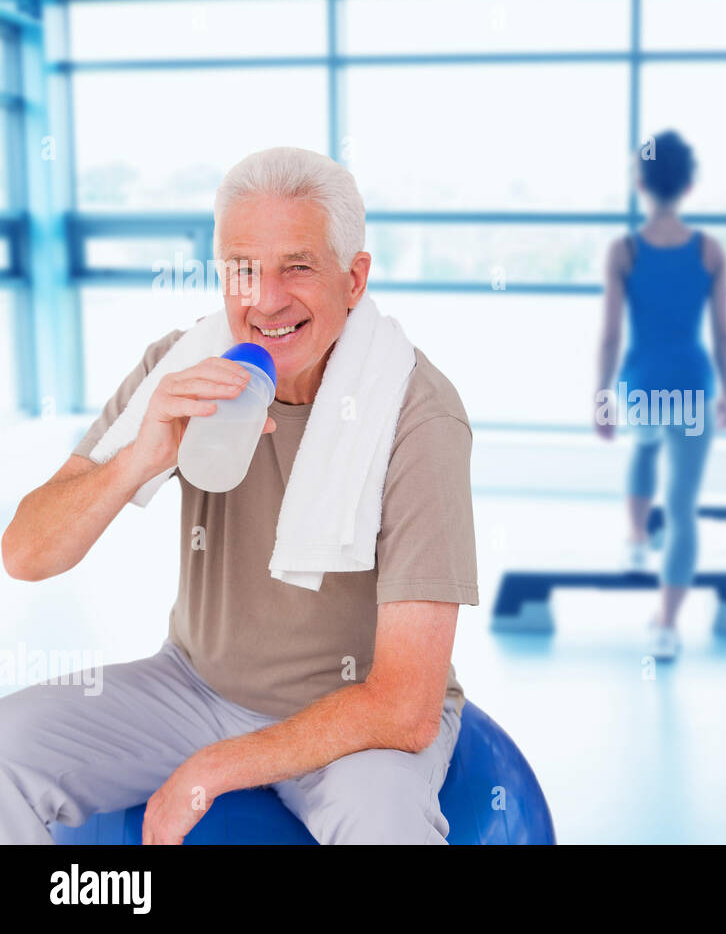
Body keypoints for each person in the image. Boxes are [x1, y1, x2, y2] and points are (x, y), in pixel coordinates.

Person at [0, 147, 478, 843]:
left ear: (355, 278)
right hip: (192, 688)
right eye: (242, 269)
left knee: (387, 823)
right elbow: (25, 554)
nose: (265, 298)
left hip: (354, 719)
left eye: (299, 267)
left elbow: (405, 706)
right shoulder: (185, 367)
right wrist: (142, 456)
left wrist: (215, 768)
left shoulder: (418, 413)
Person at [594, 130, 726, 661]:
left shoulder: (624, 251)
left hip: (642, 386)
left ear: (641, 183)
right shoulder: (710, 251)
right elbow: (723, 331)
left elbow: (610, 333)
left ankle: (634, 539)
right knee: (682, 506)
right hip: (694, 386)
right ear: (689, 185)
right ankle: (668, 625)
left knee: (645, 449)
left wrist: (602, 395)